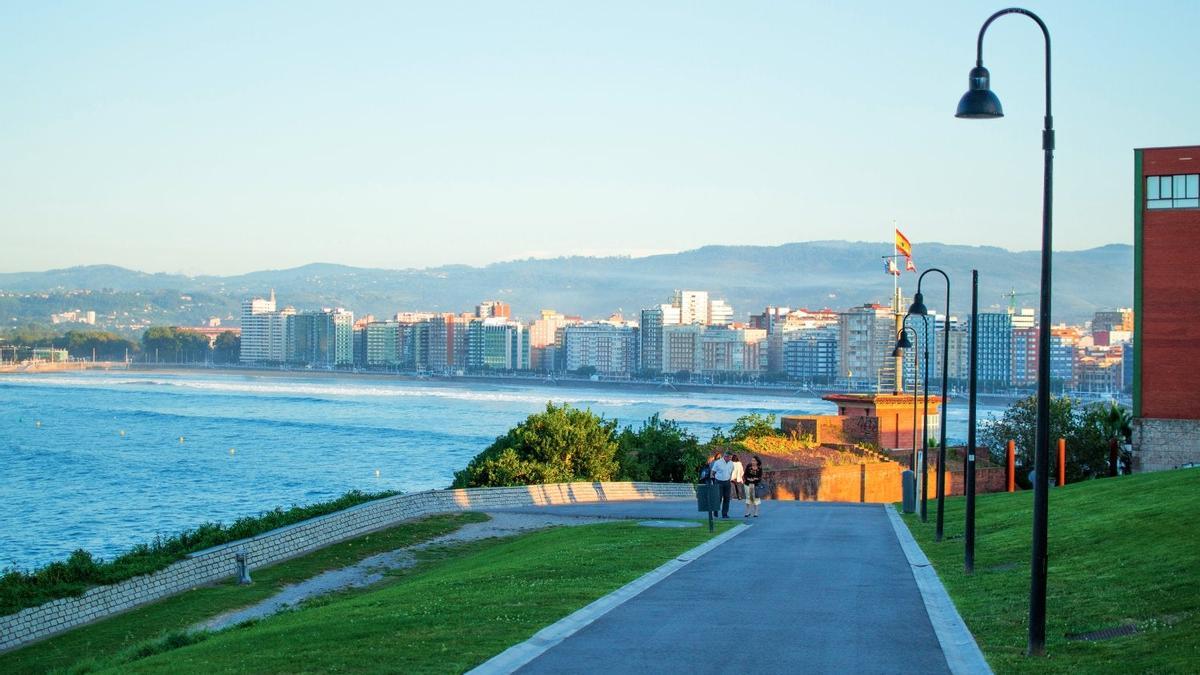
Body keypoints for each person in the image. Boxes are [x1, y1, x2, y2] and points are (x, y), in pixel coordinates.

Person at [709, 450, 735, 518]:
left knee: (727, 498)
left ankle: (725, 514)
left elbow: (731, 472)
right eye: (729, 457)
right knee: (718, 498)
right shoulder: (718, 462)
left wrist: (729, 479)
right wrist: (712, 480)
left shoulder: (731, 463)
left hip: (727, 482)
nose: (730, 459)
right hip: (718, 482)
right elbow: (713, 472)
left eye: (731, 457)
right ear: (725, 456)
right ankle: (715, 512)